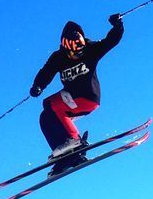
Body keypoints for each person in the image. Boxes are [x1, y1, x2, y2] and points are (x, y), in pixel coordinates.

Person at [30, 13, 124, 173]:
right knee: (45, 117)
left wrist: (117, 25)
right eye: (72, 53)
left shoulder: (90, 49)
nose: (75, 55)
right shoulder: (58, 57)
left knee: (51, 104)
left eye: (78, 52)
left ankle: (74, 140)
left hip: (88, 97)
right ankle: (67, 156)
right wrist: (38, 85)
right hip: (70, 100)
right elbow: (46, 71)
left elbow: (110, 41)